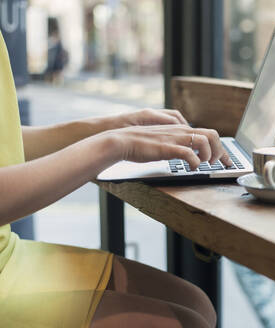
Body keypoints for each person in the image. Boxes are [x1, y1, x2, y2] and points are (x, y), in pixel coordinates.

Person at [0, 30, 232, 327]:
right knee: (186, 322)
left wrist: (112, 126)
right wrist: (114, 145)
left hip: (8, 254)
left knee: (198, 304)